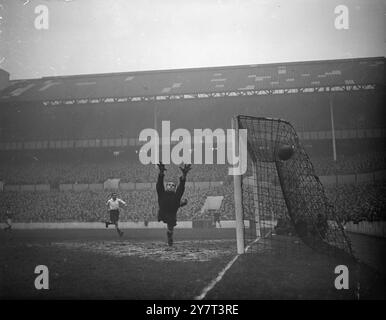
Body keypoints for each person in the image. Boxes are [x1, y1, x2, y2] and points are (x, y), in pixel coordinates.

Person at [156, 162, 191, 246]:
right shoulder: (169, 195)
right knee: (170, 226)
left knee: (170, 227)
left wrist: (184, 175)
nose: (171, 187)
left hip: (167, 213)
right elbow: (160, 185)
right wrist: (161, 173)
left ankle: (169, 237)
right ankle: (169, 236)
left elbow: (180, 188)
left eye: (172, 186)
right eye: (169, 185)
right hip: (166, 213)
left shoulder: (171, 195)